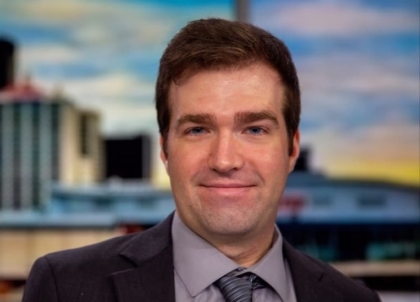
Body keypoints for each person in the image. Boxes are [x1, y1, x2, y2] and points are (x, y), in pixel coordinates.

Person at [22, 18, 380, 302]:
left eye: (254, 129)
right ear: (165, 149)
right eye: (198, 130)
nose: (224, 160)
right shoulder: (64, 288)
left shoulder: (353, 299)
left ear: (291, 149)